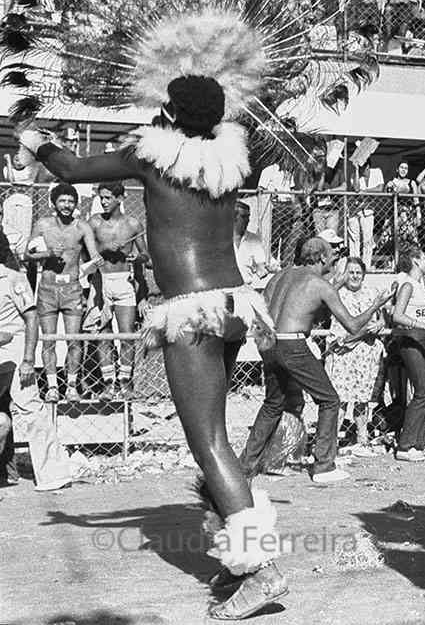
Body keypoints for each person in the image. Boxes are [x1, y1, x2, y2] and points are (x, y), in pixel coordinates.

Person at [20, 76, 287, 619]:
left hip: (189, 311)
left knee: (209, 442)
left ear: (170, 111)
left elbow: (70, 169)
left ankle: (261, 568)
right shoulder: (230, 159)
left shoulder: (151, 157)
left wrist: (35, 141)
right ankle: (239, 553)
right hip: (234, 305)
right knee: (216, 437)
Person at [240, 237, 393, 483]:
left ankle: (244, 467)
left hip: (268, 342)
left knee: (272, 404)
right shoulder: (320, 284)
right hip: (292, 344)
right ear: (322, 257)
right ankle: (323, 466)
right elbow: (353, 326)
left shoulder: (279, 277)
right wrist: (378, 303)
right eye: (332, 256)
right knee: (330, 400)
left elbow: (275, 309)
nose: (334, 261)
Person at [0, 231, 75, 492]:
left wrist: (28, 359)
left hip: (15, 351)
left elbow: (31, 318)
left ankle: (53, 475)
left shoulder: (12, 278)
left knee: (32, 412)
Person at [25, 183, 100, 402]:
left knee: (73, 340)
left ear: (76, 204)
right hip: (47, 289)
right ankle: (52, 387)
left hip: (72, 289)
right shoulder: (43, 224)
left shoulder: (82, 227)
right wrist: (47, 253)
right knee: (48, 340)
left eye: (70, 201)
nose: (67, 205)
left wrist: (98, 259)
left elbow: (94, 255)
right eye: (62, 201)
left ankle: (72, 386)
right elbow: (27, 255)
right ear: (54, 203)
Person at [88, 181, 147, 400]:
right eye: (101, 197)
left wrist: (136, 258)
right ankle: (108, 384)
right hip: (101, 280)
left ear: (120, 198)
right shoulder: (94, 222)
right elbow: (84, 253)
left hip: (124, 282)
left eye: (108, 198)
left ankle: (125, 383)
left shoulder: (132, 224)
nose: (103, 202)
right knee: (103, 333)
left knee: (126, 334)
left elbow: (146, 256)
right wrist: (103, 248)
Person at [381, 249, 425, 462]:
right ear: (415, 260)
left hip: (422, 342)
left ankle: (420, 442)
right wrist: (422, 325)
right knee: (422, 391)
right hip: (410, 341)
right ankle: (405, 446)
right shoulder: (407, 285)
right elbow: (397, 316)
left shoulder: (420, 285)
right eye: (424, 258)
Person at [325, 257, 387, 457]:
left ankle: (362, 438)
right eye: (350, 272)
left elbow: (382, 316)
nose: (354, 276)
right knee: (340, 398)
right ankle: (331, 442)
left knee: (363, 398)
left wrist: (381, 323)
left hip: (366, 352)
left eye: (358, 272)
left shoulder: (371, 293)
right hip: (344, 351)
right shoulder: (337, 293)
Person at [233, 201, 275, 290]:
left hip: (246, 288)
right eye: (243, 217)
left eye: (248, 217)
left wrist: (265, 269)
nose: (248, 220)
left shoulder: (254, 239)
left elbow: (261, 266)